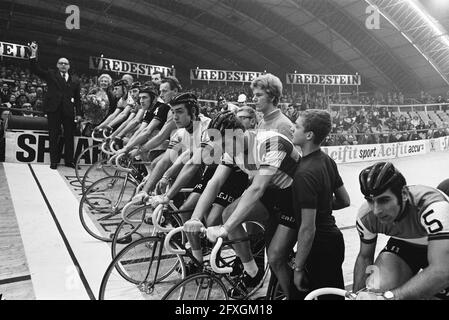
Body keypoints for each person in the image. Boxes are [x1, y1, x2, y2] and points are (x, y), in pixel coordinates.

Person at [188, 111, 301, 298]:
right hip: (272, 192)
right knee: (228, 213)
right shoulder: (232, 148)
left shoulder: (270, 142)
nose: (222, 148)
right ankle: (252, 272)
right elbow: (214, 183)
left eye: (224, 143)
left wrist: (225, 229)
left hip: (294, 195)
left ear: (240, 133)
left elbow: (256, 189)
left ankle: (293, 293)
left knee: (276, 256)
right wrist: (195, 218)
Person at [268, 109, 350, 300]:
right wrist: (321, 206)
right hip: (333, 241)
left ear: (309, 135)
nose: (292, 128)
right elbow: (344, 200)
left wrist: (298, 268)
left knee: (305, 294)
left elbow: (307, 228)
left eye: (297, 126)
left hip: (318, 246)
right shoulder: (326, 160)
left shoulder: (304, 173)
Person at [353, 162, 449, 300]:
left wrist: (392, 296)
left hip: (442, 246)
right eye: (370, 200)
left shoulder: (433, 207)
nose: (376, 210)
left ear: (403, 194)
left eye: (384, 200)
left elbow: (442, 271)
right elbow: (365, 256)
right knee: (375, 290)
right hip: (405, 245)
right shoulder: (365, 216)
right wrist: (357, 295)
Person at [28, 41, 82, 169]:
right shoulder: (51, 74)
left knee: (69, 136)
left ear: (69, 66)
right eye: (61, 63)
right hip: (54, 109)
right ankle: (54, 161)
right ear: (57, 65)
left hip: (69, 111)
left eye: (66, 63)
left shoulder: (75, 79)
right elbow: (35, 69)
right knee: (53, 136)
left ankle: (69, 161)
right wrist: (34, 54)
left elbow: (78, 99)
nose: (63, 65)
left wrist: (79, 113)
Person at [252, 73, 293, 141]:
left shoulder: (283, 125)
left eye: (258, 95)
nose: (253, 99)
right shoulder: (262, 122)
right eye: (254, 95)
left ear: (271, 97)